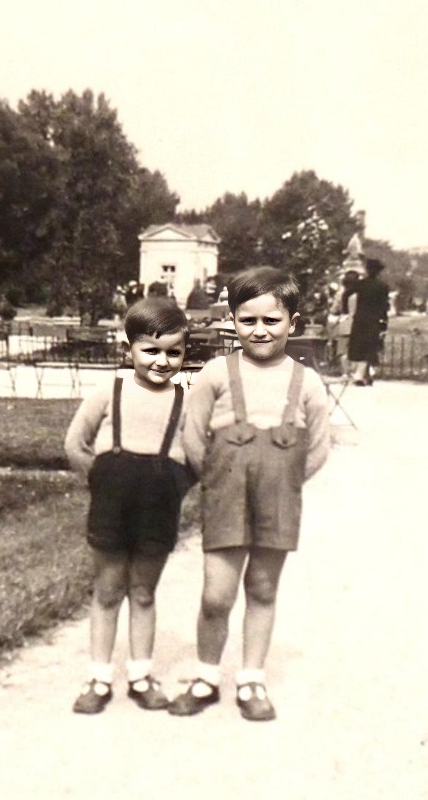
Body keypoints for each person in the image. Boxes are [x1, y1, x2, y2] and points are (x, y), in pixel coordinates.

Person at [168, 266, 330, 721]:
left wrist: (289, 482)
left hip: (278, 497)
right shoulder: (217, 373)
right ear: (232, 322)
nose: (259, 330)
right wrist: (216, 478)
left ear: (292, 324)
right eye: (248, 320)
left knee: (262, 587)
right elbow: (193, 436)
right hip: (225, 494)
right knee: (216, 594)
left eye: (271, 321)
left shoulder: (307, 382)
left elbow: (317, 447)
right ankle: (205, 675)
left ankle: (252, 679)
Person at [64, 297, 192, 714]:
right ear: (128, 349)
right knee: (107, 590)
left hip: (158, 505)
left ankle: (140, 675)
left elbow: (197, 457)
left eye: (173, 351)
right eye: (150, 350)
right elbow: (74, 444)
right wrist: (100, 479)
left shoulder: (185, 401)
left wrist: (176, 484)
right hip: (113, 503)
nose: (162, 360)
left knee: (143, 591)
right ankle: (99, 678)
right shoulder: (109, 391)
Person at [348, 258, 390, 385]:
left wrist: (346, 310)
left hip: (360, 319)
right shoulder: (383, 286)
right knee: (371, 346)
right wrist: (384, 322)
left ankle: (361, 374)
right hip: (374, 319)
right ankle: (367, 373)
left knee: (359, 346)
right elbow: (384, 306)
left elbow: (347, 294)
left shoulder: (360, 284)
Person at [327, 269, 360, 377]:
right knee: (356, 349)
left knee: (343, 350)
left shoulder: (341, 294)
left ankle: (345, 373)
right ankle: (355, 372)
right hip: (358, 323)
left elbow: (334, 309)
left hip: (344, 322)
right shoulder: (360, 294)